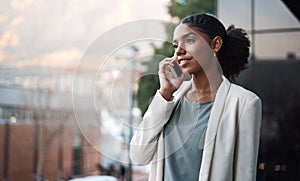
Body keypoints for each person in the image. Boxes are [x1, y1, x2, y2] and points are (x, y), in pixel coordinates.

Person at [130, 13, 262, 181]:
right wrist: (165, 92)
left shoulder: (244, 103)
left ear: (215, 44)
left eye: (189, 41)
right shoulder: (171, 98)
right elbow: (138, 155)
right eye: (176, 45)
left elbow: (244, 174)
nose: (179, 51)